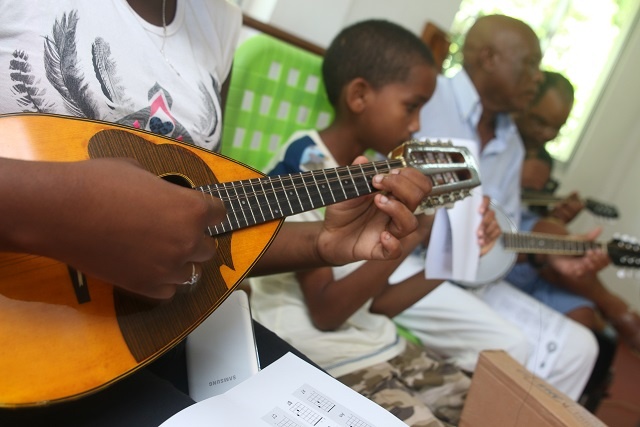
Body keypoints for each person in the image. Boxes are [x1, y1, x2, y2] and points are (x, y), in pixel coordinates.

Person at [0, 2, 432, 426]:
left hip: (156, 330)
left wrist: (320, 242)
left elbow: (198, 227)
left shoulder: (220, 20)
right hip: (27, 347)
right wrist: (67, 212)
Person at [250, 19, 501, 427]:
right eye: (411, 106)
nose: (416, 125)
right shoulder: (303, 169)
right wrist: (416, 232)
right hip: (325, 352)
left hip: (373, 338)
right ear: (360, 96)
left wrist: (457, 253)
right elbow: (327, 311)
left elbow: (378, 303)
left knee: (493, 410)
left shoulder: (377, 176)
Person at [394, 14, 606, 400]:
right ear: (488, 58)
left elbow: (499, 237)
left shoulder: (513, 144)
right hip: (401, 261)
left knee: (581, 348)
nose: (539, 77)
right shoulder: (424, 96)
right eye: (530, 64)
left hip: (468, 272)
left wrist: (546, 258)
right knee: (508, 345)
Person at [508, 71, 640, 353]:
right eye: (540, 121)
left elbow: (535, 213)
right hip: (504, 249)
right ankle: (616, 308)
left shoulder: (539, 158)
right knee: (555, 236)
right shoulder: (495, 140)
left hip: (532, 256)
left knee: (583, 316)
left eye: (556, 128)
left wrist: (557, 218)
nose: (546, 134)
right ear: (524, 102)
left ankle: (610, 308)